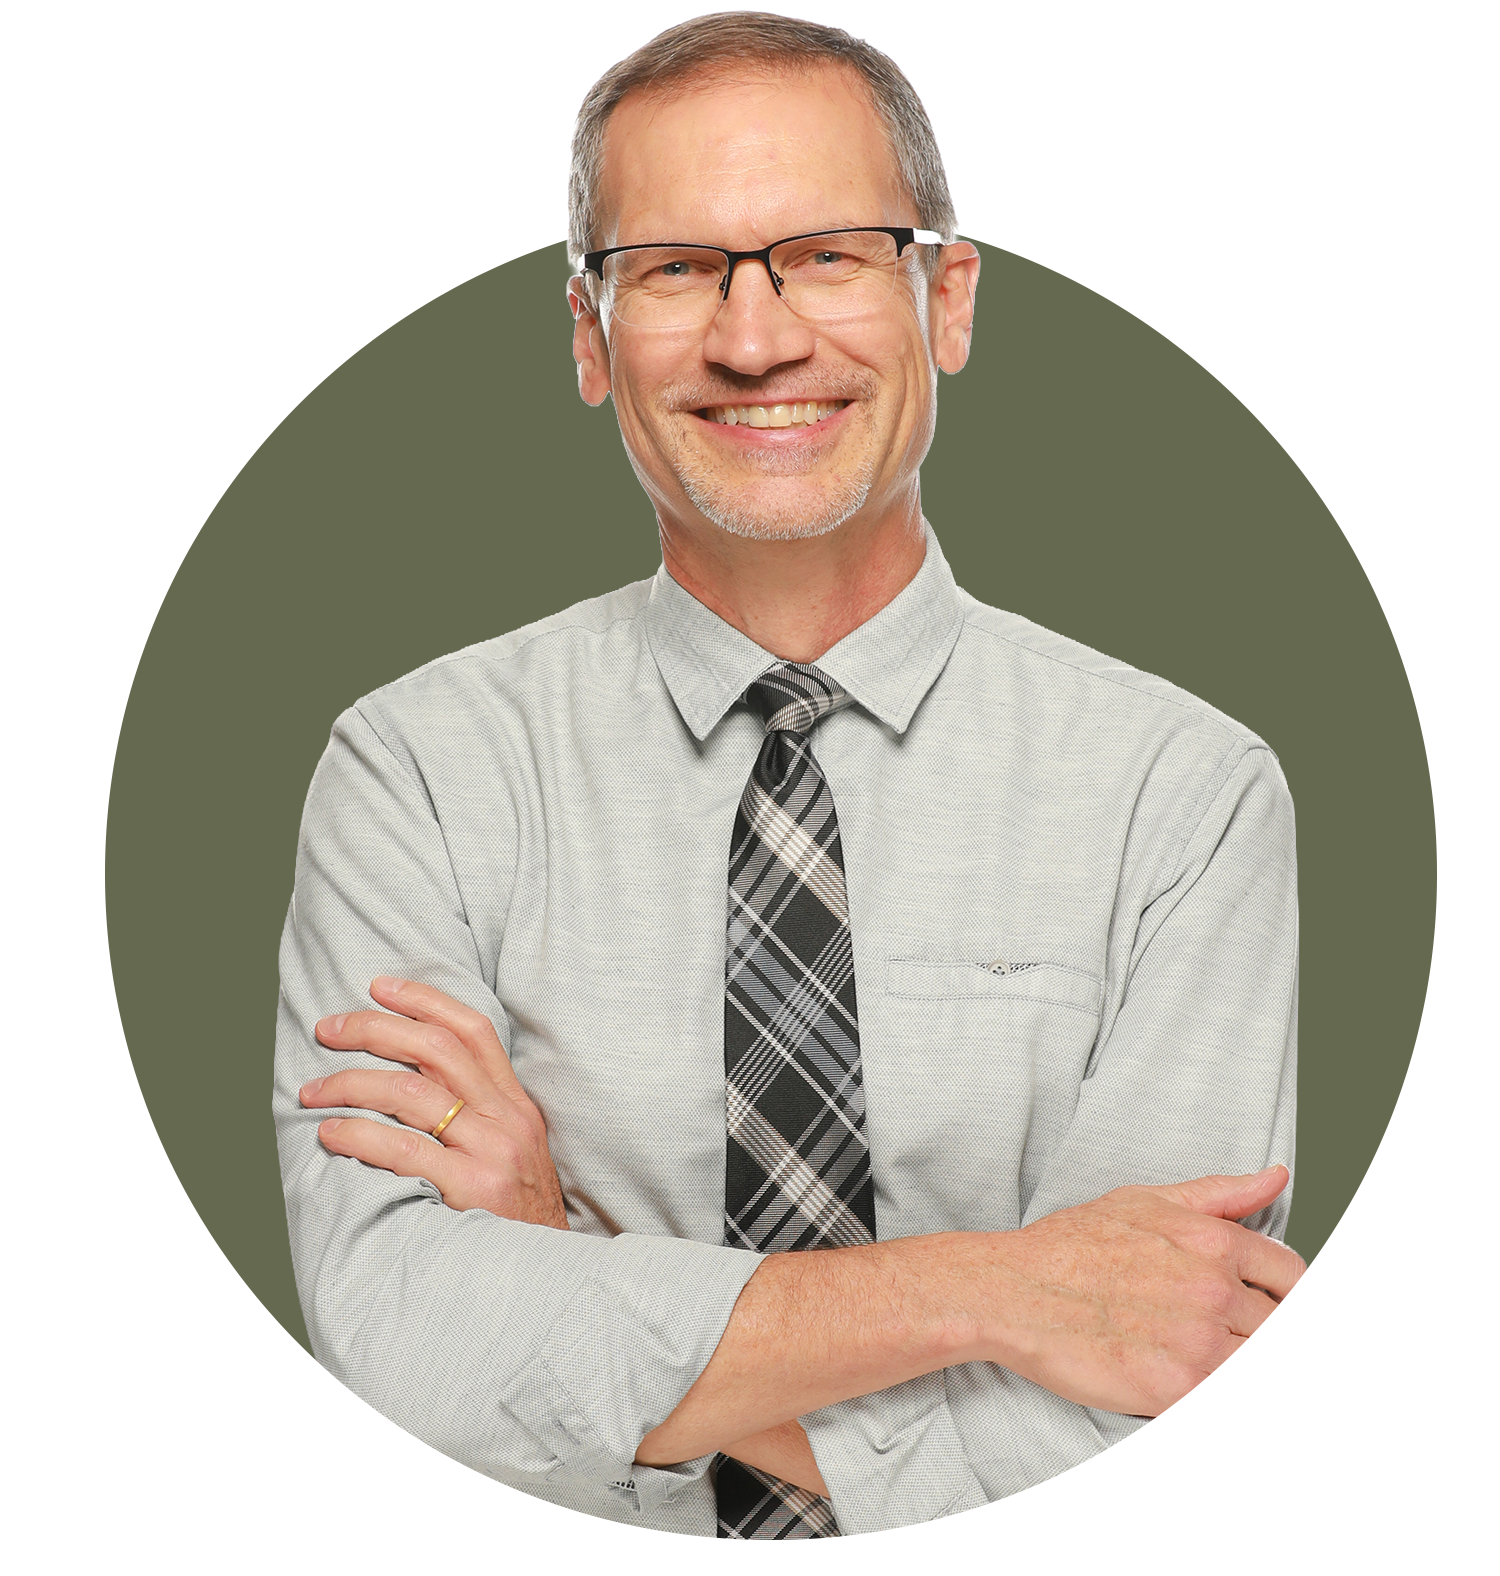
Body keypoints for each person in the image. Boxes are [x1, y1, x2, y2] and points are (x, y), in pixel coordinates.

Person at [272, 10, 1305, 1550]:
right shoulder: (417, 772)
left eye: (826, 254)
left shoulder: (1183, 796)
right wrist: (1002, 1288)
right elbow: (401, 1350)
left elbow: (1152, 1390)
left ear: (946, 297)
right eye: (676, 268)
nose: (754, 340)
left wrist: (568, 1279)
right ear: (587, 335)